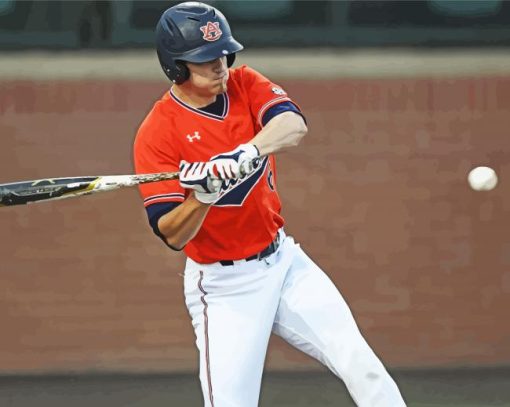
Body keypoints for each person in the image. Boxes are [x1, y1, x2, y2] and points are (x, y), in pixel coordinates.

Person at [133, 2, 407, 406]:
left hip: (283, 263)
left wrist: (245, 152)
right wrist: (202, 197)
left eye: (223, 53)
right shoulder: (158, 132)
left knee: (361, 364)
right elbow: (172, 233)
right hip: (224, 286)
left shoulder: (245, 84)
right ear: (175, 66)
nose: (219, 65)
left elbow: (293, 125)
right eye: (204, 59)